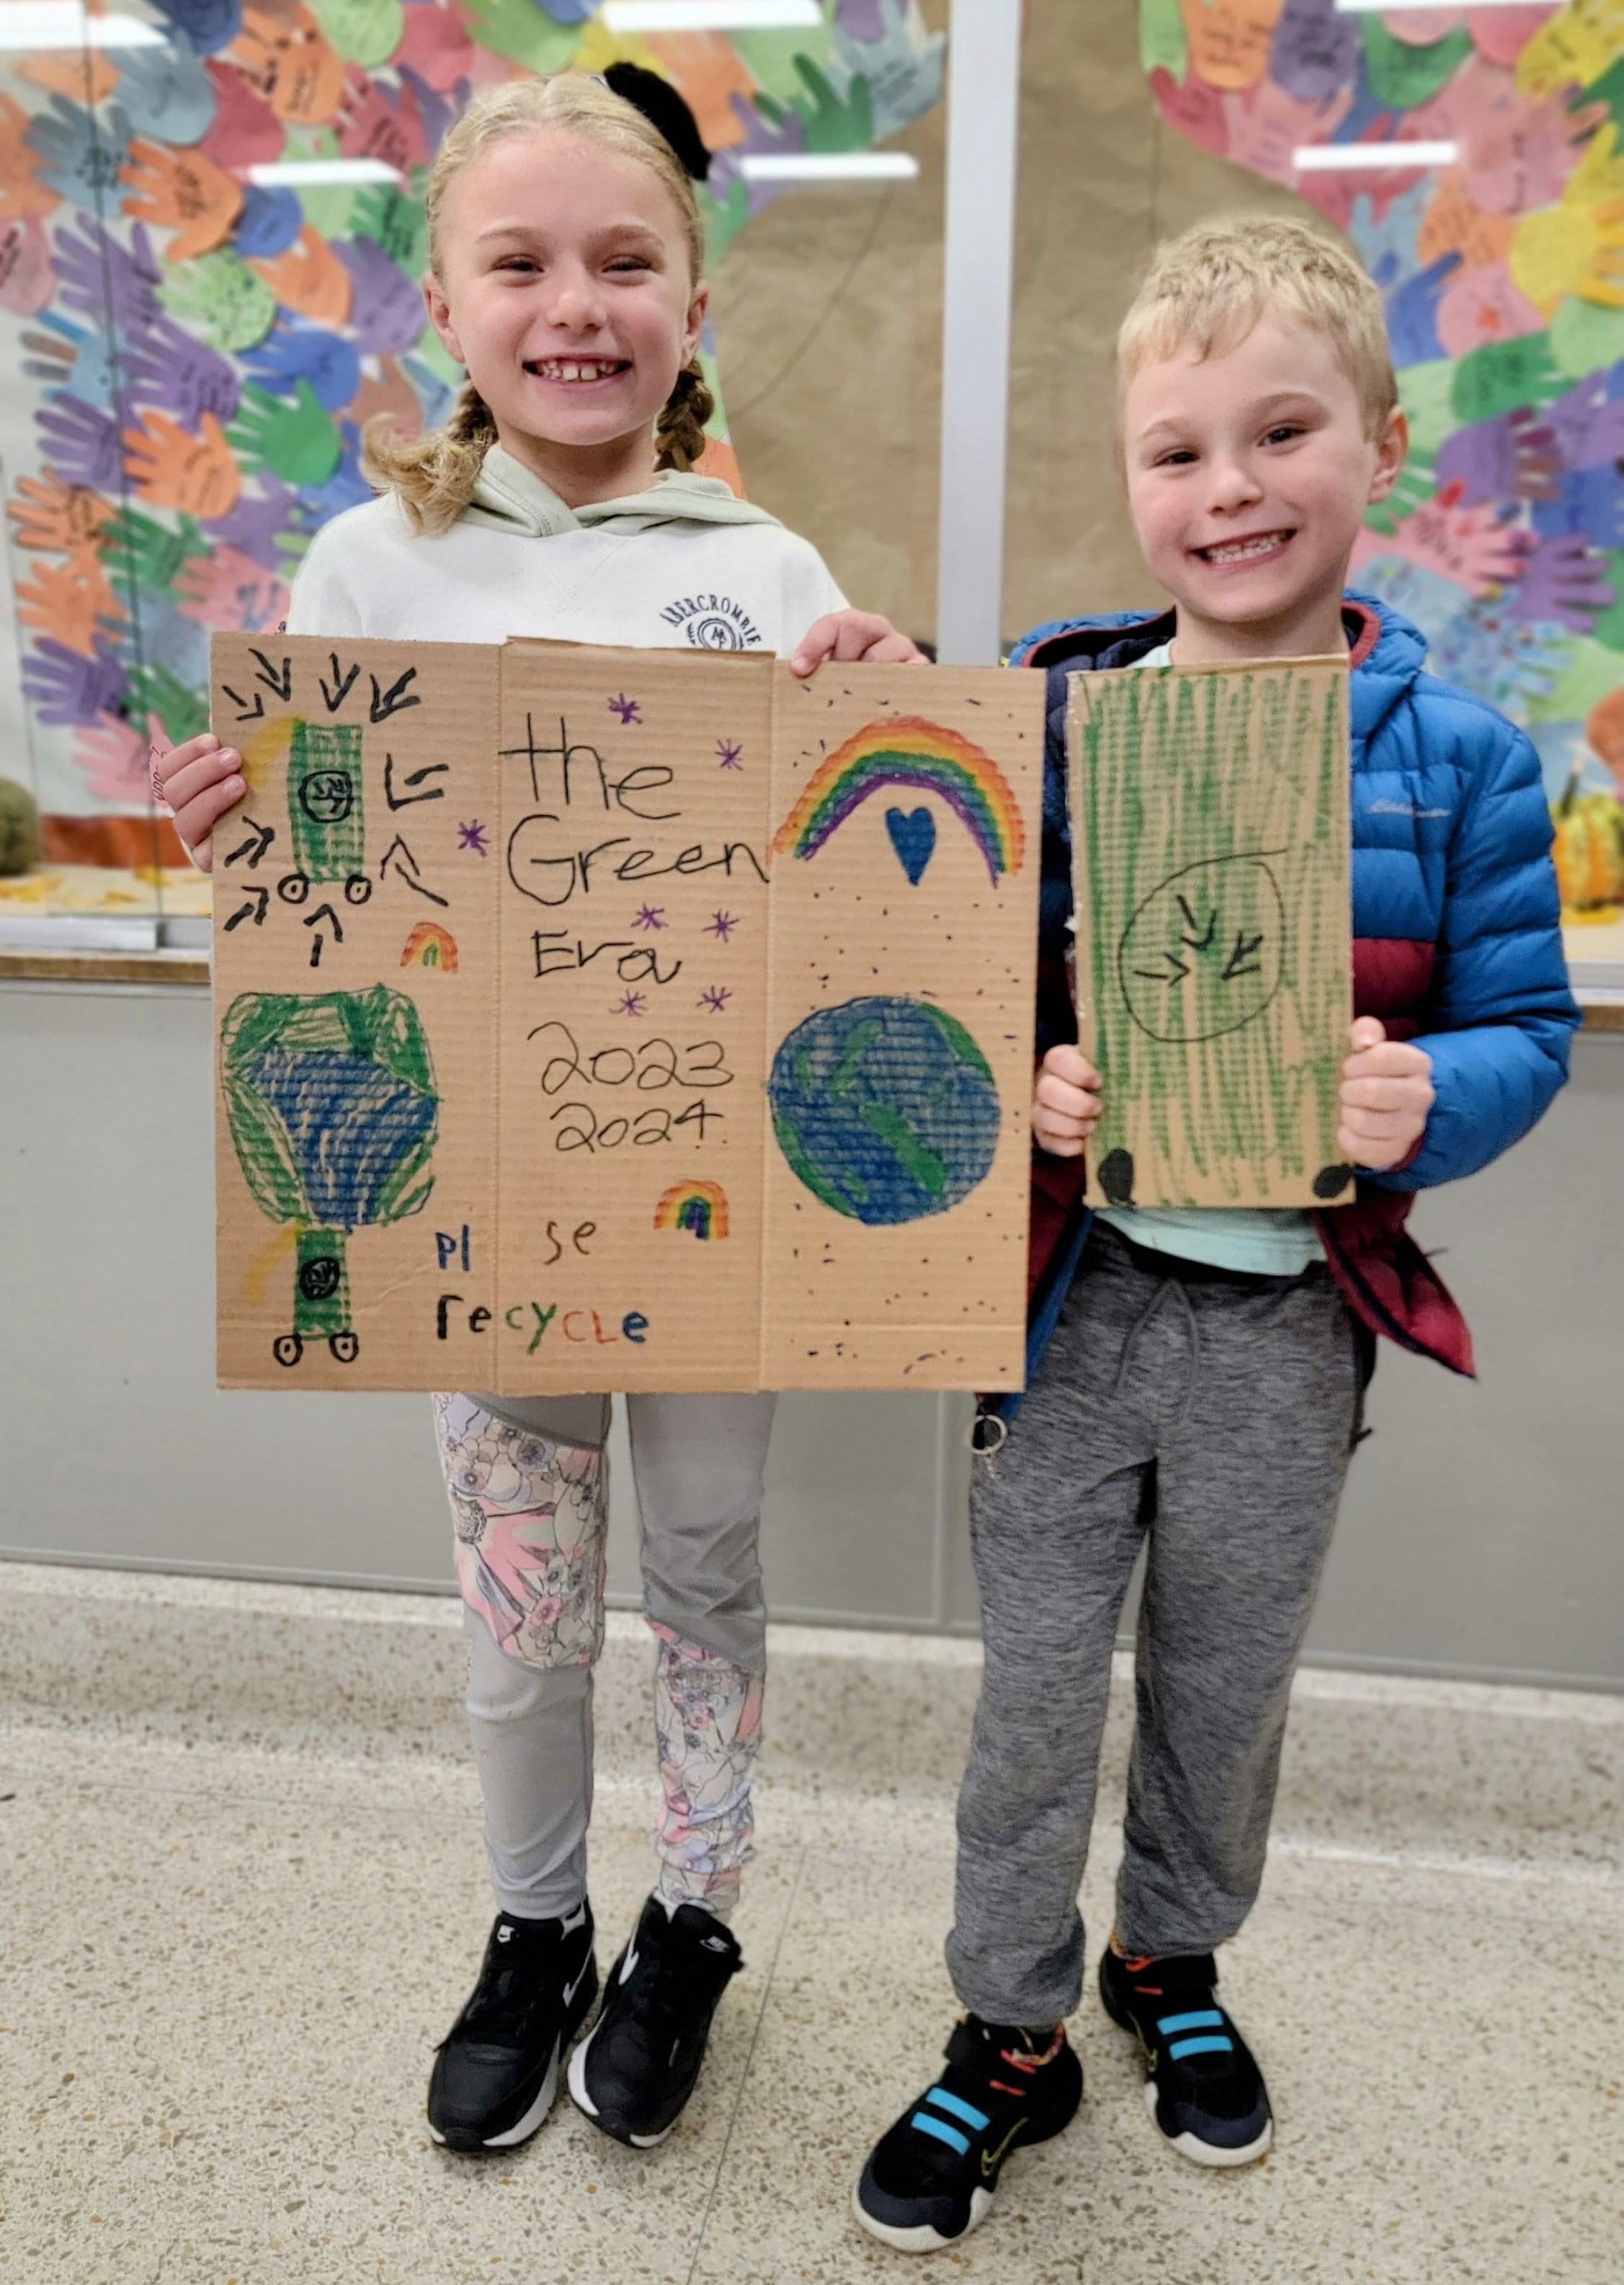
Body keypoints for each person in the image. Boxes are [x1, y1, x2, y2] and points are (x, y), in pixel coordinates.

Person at [155, 71, 922, 2160]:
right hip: (475, 1202)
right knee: (514, 1586)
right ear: (447, 303)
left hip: (708, 1201)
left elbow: (855, 894)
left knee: (705, 1565)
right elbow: (326, 901)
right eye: (519, 261)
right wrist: (236, 833)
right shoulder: (367, 562)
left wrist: (884, 699)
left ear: (691, 298)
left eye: (622, 259)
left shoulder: (763, 569)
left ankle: (693, 1916)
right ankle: (529, 1922)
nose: (573, 303)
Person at [852, 216, 1580, 2254]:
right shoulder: (1056, 730)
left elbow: (1519, 1020)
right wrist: (1033, 1090)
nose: (1228, 486)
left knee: (1222, 1679)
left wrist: (1427, 1092)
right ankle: (1005, 2022)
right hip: (1070, 1315)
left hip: (1284, 1328)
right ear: (1129, 479)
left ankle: (1167, 1962)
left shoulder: (1454, 760)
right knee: (1028, 1690)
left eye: (1280, 431)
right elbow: (941, 986)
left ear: (1382, 443)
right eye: (1176, 450)